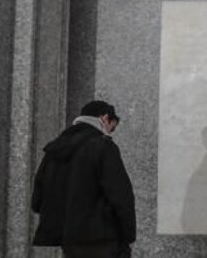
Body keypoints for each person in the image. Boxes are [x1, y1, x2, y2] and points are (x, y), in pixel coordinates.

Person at [32, 100, 136, 257]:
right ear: (104, 118)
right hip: (103, 239)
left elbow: (37, 201)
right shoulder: (103, 147)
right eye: (111, 127)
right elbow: (121, 196)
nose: (109, 132)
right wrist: (128, 234)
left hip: (70, 242)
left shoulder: (55, 149)